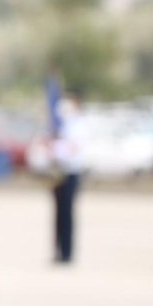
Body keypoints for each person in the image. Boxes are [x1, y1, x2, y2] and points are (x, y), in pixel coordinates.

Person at [50, 92, 84, 263]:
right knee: (58, 213)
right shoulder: (63, 123)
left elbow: (74, 147)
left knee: (67, 213)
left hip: (71, 172)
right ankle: (58, 250)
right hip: (58, 171)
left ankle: (67, 252)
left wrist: (57, 148)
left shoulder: (80, 124)